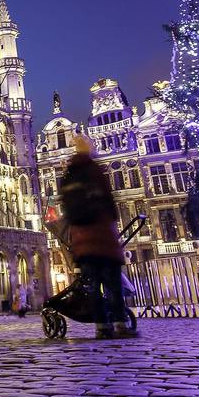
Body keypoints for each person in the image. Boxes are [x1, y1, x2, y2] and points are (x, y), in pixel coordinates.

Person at [60, 134, 131, 339]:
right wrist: (111, 218)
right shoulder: (94, 170)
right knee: (112, 282)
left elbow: (66, 205)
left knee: (93, 285)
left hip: (81, 239)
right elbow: (107, 197)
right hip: (101, 234)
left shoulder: (68, 175)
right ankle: (119, 323)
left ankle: (101, 325)